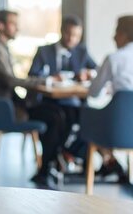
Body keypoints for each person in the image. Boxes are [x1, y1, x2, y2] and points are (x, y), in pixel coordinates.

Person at [0, 10, 66, 189]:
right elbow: (9, 81)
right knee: (55, 117)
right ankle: (47, 168)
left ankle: (49, 165)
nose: (17, 27)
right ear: (1, 25)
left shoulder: (1, 48)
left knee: (58, 114)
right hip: (4, 109)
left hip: (10, 104)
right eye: (13, 23)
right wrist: (44, 81)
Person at [86, 14, 133, 180]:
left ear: (124, 35)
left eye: (116, 32)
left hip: (119, 131)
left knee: (84, 113)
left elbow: (93, 92)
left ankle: (107, 160)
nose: (113, 37)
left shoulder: (114, 58)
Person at [28, 15, 97, 161]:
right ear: (61, 31)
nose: (72, 39)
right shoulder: (44, 51)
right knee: (59, 118)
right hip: (48, 101)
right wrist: (50, 79)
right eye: (69, 34)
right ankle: (55, 158)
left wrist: (88, 73)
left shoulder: (81, 51)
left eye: (77, 36)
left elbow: (96, 69)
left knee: (86, 117)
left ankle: (66, 155)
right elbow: (32, 76)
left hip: (73, 100)